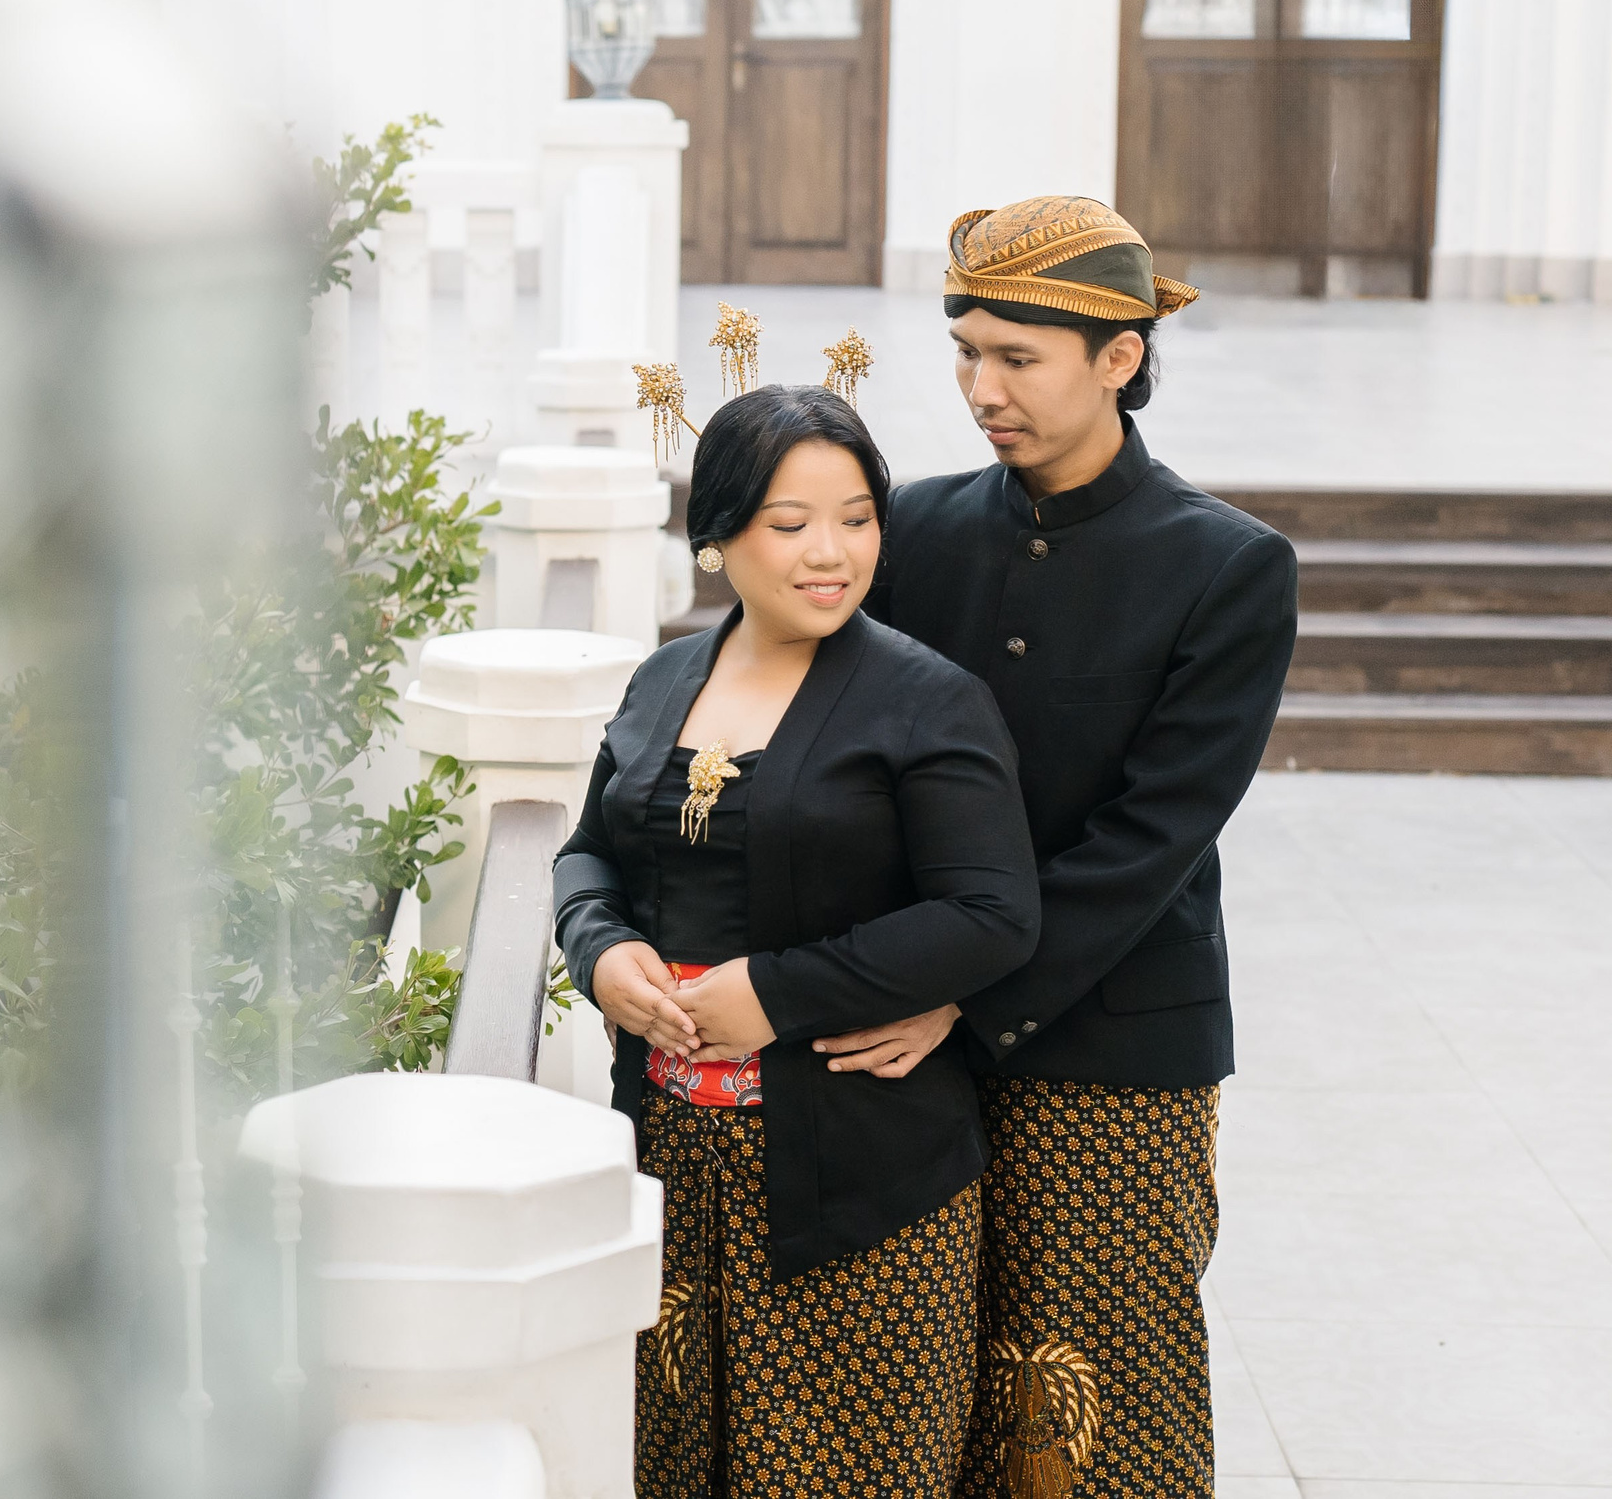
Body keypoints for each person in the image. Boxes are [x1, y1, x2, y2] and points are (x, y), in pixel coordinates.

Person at [834, 197, 1299, 1499]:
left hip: (1108, 1043)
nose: (983, 388)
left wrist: (958, 992)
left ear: (1122, 354)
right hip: (898, 1036)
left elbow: (1149, 840)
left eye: (1017, 357)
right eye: (966, 351)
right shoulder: (909, 531)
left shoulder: (1227, 568)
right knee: (908, 1387)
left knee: (1084, 1399)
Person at [555, 384, 1043, 1498]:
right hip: (671, 1165)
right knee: (674, 1459)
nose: (831, 552)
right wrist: (599, 951)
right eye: (790, 524)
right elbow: (588, 852)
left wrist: (778, 992)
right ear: (720, 537)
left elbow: (991, 911)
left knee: (837, 1470)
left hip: (861, 1186)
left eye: (858, 517)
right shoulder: (664, 676)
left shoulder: (926, 700)